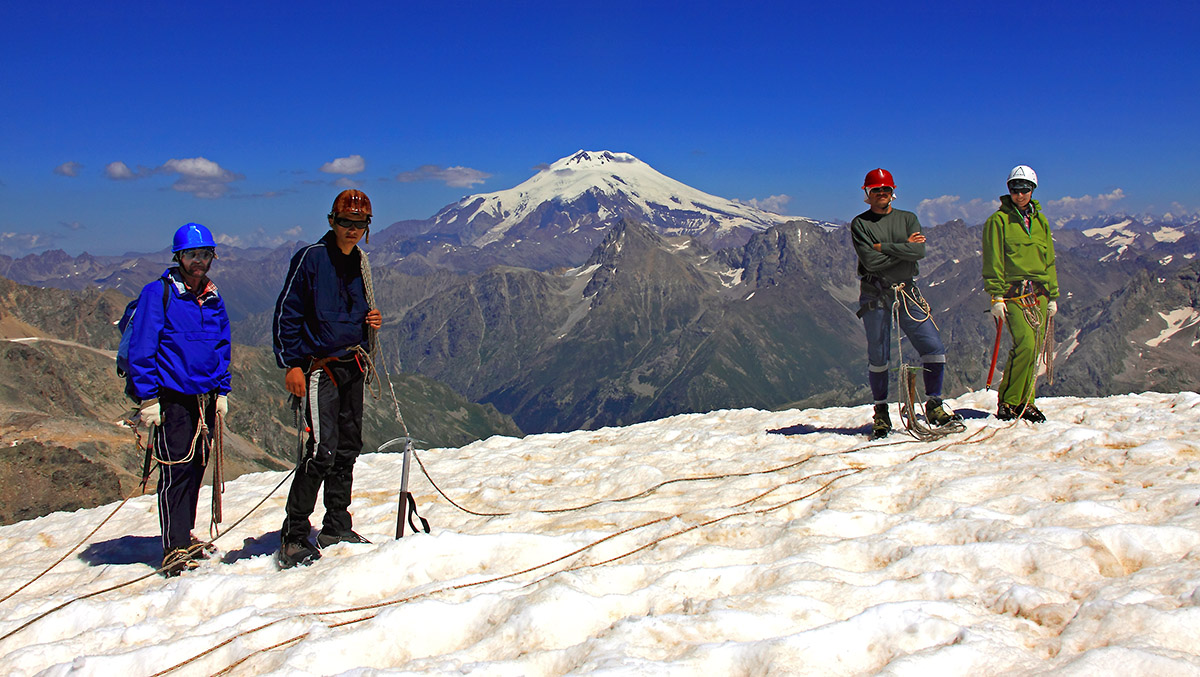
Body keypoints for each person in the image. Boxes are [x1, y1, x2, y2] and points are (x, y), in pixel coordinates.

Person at [272, 189, 383, 569]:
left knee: (348, 446)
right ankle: (293, 535)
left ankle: (336, 524)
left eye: (360, 224)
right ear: (332, 221)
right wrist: (293, 364)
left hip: (352, 364)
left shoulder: (360, 264)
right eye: (346, 222)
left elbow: (356, 309)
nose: (352, 230)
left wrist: (371, 324)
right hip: (320, 369)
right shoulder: (311, 259)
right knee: (322, 450)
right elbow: (288, 312)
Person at [127, 222, 231, 576]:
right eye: (191, 255)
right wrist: (148, 399)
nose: (198, 261)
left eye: (204, 254)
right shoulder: (158, 294)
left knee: (197, 466)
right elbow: (143, 347)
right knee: (176, 470)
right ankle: (173, 547)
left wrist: (223, 389)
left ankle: (184, 536)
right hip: (172, 398)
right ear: (179, 257)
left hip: (205, 397)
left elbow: (222, 346)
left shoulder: (213, 297)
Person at [851, 168, 960, 439]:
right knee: (878, 355)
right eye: (876, 190)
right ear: (868, 193)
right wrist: (904, 249)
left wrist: (882, 246)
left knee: (933, 347)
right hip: (876, 293)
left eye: (886, 190)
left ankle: (934, 403)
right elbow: (871, 263)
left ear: (893, 192)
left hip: (905, 291)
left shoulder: (908, 218)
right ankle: (881, 411)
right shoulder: (860, 224)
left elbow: (919, 251)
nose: (882, 194)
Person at [982, 165, 1059, 423]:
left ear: (1032, 190)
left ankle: (1027, 402)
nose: (1020, 194)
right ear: (1009, 190)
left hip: (1039, 293)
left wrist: (1054, 295)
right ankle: (1009, 401)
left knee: (1034, 347)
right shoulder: (998, 221)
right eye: (1015, 189)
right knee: (1025, 344)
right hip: (1013, 294)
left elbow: (1049, 259)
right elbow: (993, 260)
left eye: (1025, 189)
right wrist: (996, 296)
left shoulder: (1040, 221)